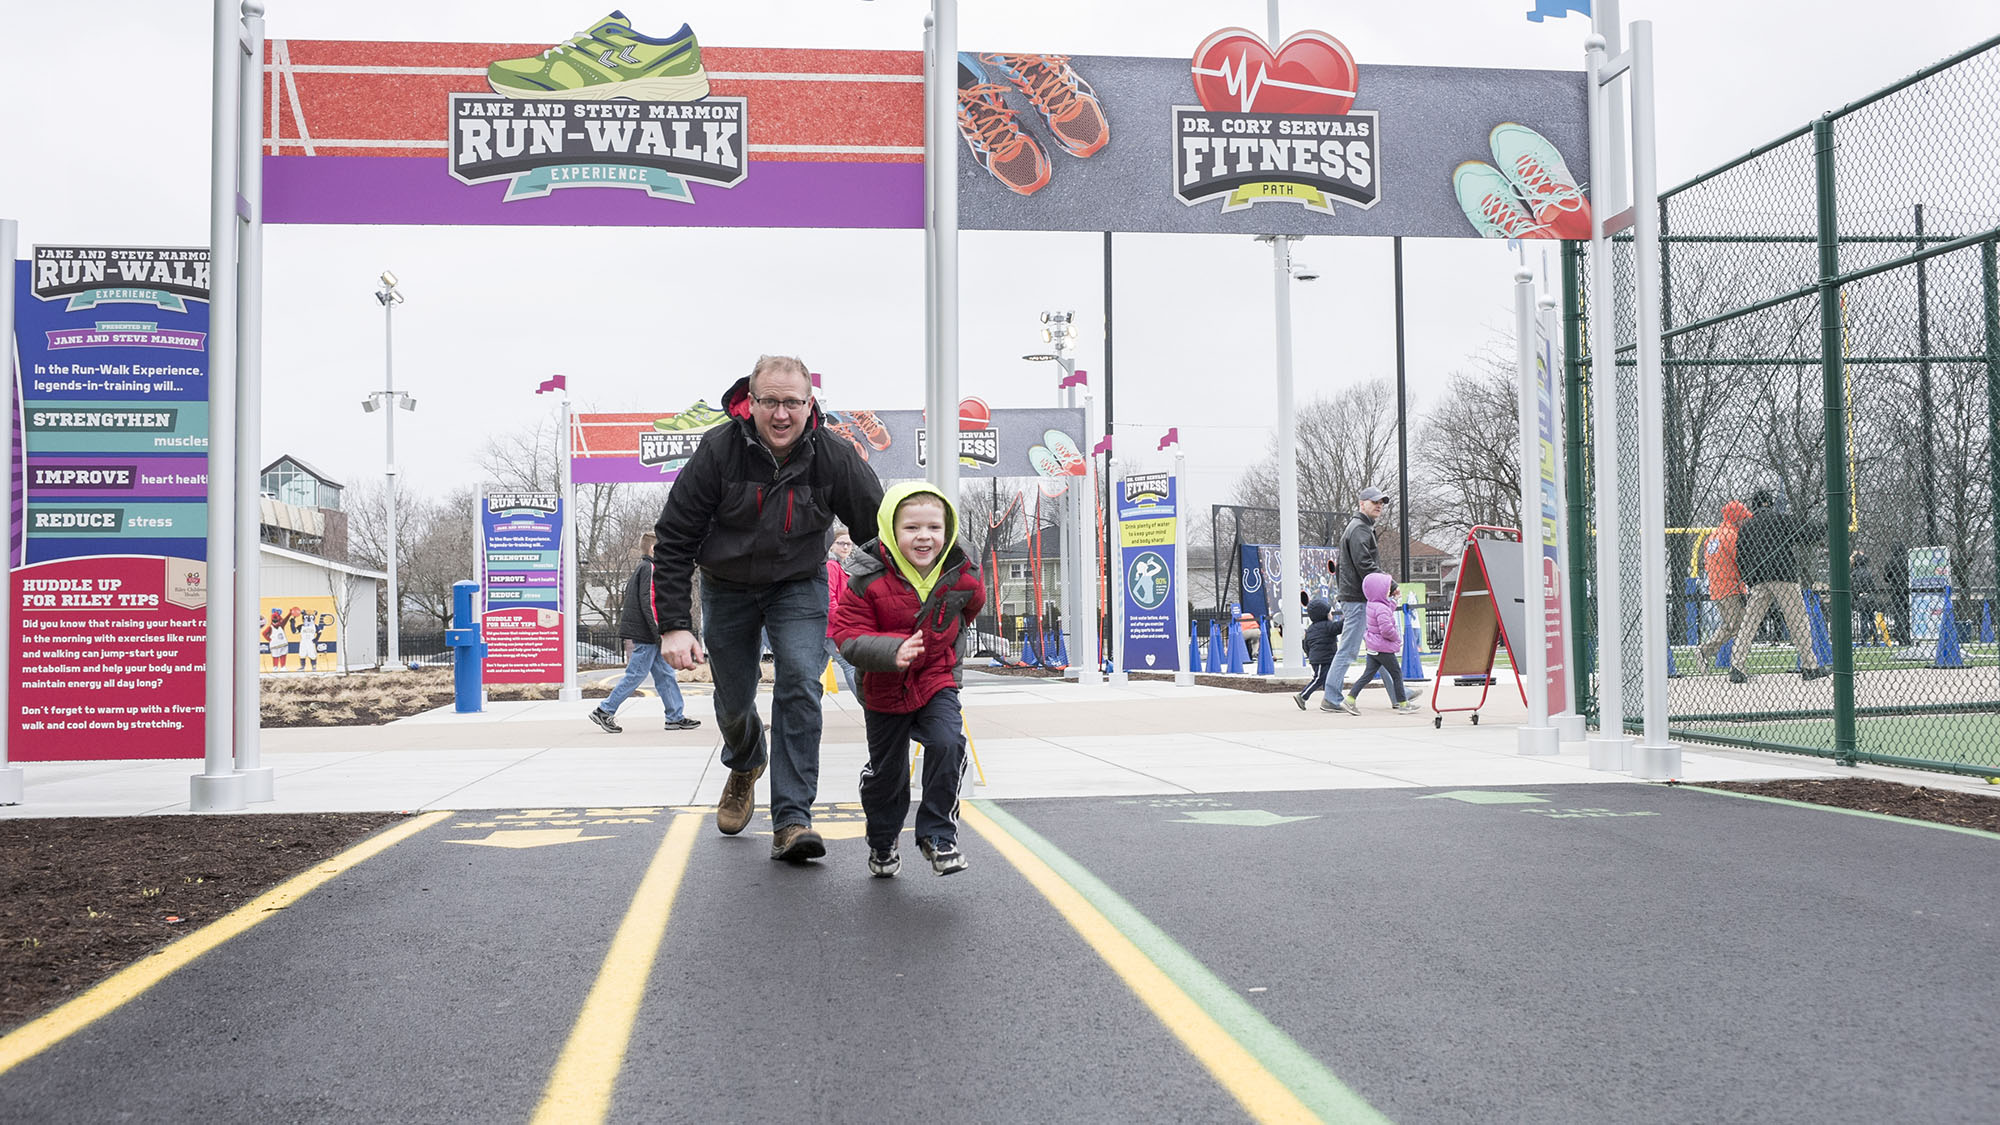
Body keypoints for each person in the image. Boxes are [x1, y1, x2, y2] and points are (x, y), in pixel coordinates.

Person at [652, 355, 885, 862]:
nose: (782, 414)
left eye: (793, 403)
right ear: (751, 403)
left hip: (798, 584)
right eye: (771, 402)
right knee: (734, 701)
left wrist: (916, 596)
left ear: (809, 404)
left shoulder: (834, 456)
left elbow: (880, 533)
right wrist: (673, 625)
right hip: (727, 587)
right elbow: (673, 540)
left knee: (801, 682)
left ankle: (792, 819)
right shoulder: (718, 452)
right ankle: (745, 760)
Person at [830, 482, 985, 877]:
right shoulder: (867, 578)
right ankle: (883, 841)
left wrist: (945, 648)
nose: (924, 537)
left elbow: (968, 609)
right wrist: (890, 651)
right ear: (890, 531)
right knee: (888, 775)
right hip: (884, 685)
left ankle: (938, 835)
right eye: (912, 528)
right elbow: (846, 634)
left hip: (935, 678)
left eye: (934, 527)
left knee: (949, 742)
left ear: (947, 531)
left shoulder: (961, 573)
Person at [590, 533, 701, 735]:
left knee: (666, 675)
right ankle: (604, 710)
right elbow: (649, 604)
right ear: (653, 550)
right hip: (648, 635)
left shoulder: (645, 568)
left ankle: (675, 717)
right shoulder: (649, 568)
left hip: (649, 635)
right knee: (636, 674)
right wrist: (660, 634)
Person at [1726, 488, 1829, 683]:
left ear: (1754, 506)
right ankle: (1809, 665)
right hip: (1783, 577)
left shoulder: (1747, 527)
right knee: (1797, 621)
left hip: (1759, 581)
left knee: (1748, 624)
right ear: (1770, 503)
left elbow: (1740, 558)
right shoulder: (1780, 519)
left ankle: (1737, 666)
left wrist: (1751, 579)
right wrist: (1826, 525)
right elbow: (1807, 533)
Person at [1320, 485, 1389, 715]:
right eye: (1374, 502)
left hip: (1358, 596)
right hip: (1358, 598)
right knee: (1349, 649)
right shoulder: (1360, 529)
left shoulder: (1360, 527)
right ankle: (1331, 697)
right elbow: (1365, 565)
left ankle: (1400, 693)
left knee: (1380, 648)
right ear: (1362, 504)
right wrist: (1390, 585)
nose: (1379, 505)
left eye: (1381, 502)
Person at [1350, 572, 1420, 712]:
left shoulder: (1372, 604)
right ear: (1379, 590)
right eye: (1387, 589)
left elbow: (1385, 611)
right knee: (1397, 674)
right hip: (1383, 647)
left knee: (1367, 675)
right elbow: (1386, 629)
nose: (1389, 591)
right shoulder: (1381, 608)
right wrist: (1396, 638)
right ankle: (1403, 704)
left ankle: (1350, 699)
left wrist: (1394, 601)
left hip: (1373, 646)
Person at [1696, 500, 1752, 672]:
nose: (1745, 522)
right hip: (1731, 586)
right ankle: (1706, 651)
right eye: (1743, 518)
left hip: (1718, 587)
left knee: (1737, 626)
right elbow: (1740, 560)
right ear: (1736, 518)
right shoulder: (1732, 535)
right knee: (1737, 627)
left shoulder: (1714, 535)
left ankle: (1736, 664)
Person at [823, 523, 862, 696]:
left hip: (830, 628)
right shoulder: (832, 565)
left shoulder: (842, 566)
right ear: (832, 544)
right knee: (850, 666)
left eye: (849, 543)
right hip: (832, 629)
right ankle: (868, 707)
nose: (846, 547)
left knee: (812, 673)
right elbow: (829, 598)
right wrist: (842, 626)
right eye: (841, 543)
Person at [1293, 596, 1341, 709]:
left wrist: (1310, 656)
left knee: (1328, 680)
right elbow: (1339, 627)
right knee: (1319, 679)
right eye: (1330, 613)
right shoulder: (1327, 626)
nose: (1331, 615)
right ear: (1323, 614)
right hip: (1323, 659)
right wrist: (1348, 618)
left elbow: (1306, 644)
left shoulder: (1311, 629)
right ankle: (1303, 696)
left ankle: (1329, 700)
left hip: (1318, 658)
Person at [1850, 549, 1883, 644]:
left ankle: (1864, 640)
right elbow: (1873, 586)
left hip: (1861, 596)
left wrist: (1856, 597)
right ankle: (1875, 639)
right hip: (1870, 596)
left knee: (1863, 619)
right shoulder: (1869, 572)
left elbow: (1854, 587)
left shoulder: (1855, 573)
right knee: (1871, 619)